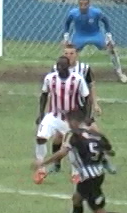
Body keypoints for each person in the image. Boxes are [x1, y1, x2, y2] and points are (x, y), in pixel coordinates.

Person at [34, 109, 127, 213]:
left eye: (68, 120)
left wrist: (42, 163)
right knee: (77, 199)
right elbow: (110, 152)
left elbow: (62, 153)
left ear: (73, 121)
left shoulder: (72, 135)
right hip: (97, 174)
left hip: (87, 177)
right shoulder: (96, 135)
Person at [48, 46, 117, 175]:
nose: (69, 55)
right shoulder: (56, 68)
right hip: (63, 109)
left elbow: (91, 87)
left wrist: (95, 103)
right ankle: (56, 164)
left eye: (72, 53)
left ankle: (105, 161)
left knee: (94, 132)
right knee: (59, 136)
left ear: (77, 54)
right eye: (66, 53)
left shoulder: (84, 69)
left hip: (81, 108)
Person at [34, 56, 90, 185]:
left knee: (72, 146)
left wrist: (86, 116)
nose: (60, 69)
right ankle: (40, 168)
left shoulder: (77, 80)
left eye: (63, 66)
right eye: (58, 66)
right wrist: (41, 113)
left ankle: (76, 173)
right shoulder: (50, 78)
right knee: (40, 137)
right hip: (53, 115)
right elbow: (44, 95)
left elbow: (87, 98)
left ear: (68, 66)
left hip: (71, 118)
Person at [63, 0, 127, 83]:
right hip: (80, 35)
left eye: (85, 4)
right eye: (81, 4)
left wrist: (109, 37)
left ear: (89, 5)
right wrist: (66, 38)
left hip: (95, 34)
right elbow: (67, 23)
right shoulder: (73, 13)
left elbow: (106, 21)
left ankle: (119, 72)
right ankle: (68, 73)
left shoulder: (96, 12)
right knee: (69, 51)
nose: (83, 7)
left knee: (111, 48)